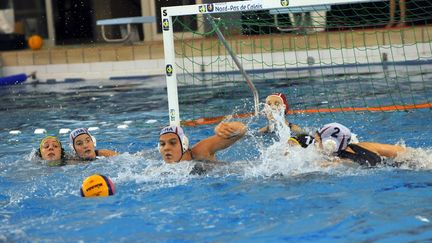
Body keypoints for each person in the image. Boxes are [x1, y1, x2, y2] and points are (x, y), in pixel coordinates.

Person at [314, 123, 406, 167]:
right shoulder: (365, 146)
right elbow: (402, 151)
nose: (314, 144)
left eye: (317, 141)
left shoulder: (332, 163)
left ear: (328, 145)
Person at [158, 121, 247, 164]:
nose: (166, 148)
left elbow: (241, 130)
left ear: (184, 144)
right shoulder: (160, 170)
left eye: (173, 143)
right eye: (162, 144)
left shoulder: (200, 151)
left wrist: (225, 128)